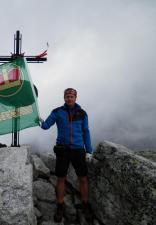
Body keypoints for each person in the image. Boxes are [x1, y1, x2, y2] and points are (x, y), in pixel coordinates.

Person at [40, 88, 93, 222]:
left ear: (76, 97)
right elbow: (46, 126)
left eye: (72, 96)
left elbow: (86, 131)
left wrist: (89, 151)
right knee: (61, 178)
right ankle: (60, 206)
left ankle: (85, 205)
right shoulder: (57, 112)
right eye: (67, 96)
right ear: (64, 97)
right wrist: (39, 120)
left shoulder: (82, 113)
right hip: (62, 150)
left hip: (78, 149)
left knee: (83, 178)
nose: (69, 98)